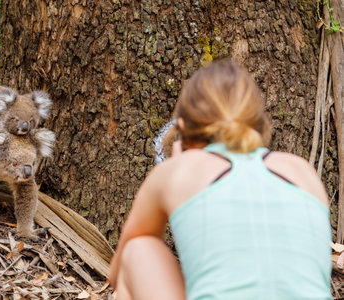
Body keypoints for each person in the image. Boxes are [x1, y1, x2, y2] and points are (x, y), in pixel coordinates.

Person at [108, 60, 332, 300]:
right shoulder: (304, 173)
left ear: (182, 128)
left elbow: (117, 271)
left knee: (137, 249)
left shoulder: (176, 171)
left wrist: (179, 168)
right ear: (257, 125)